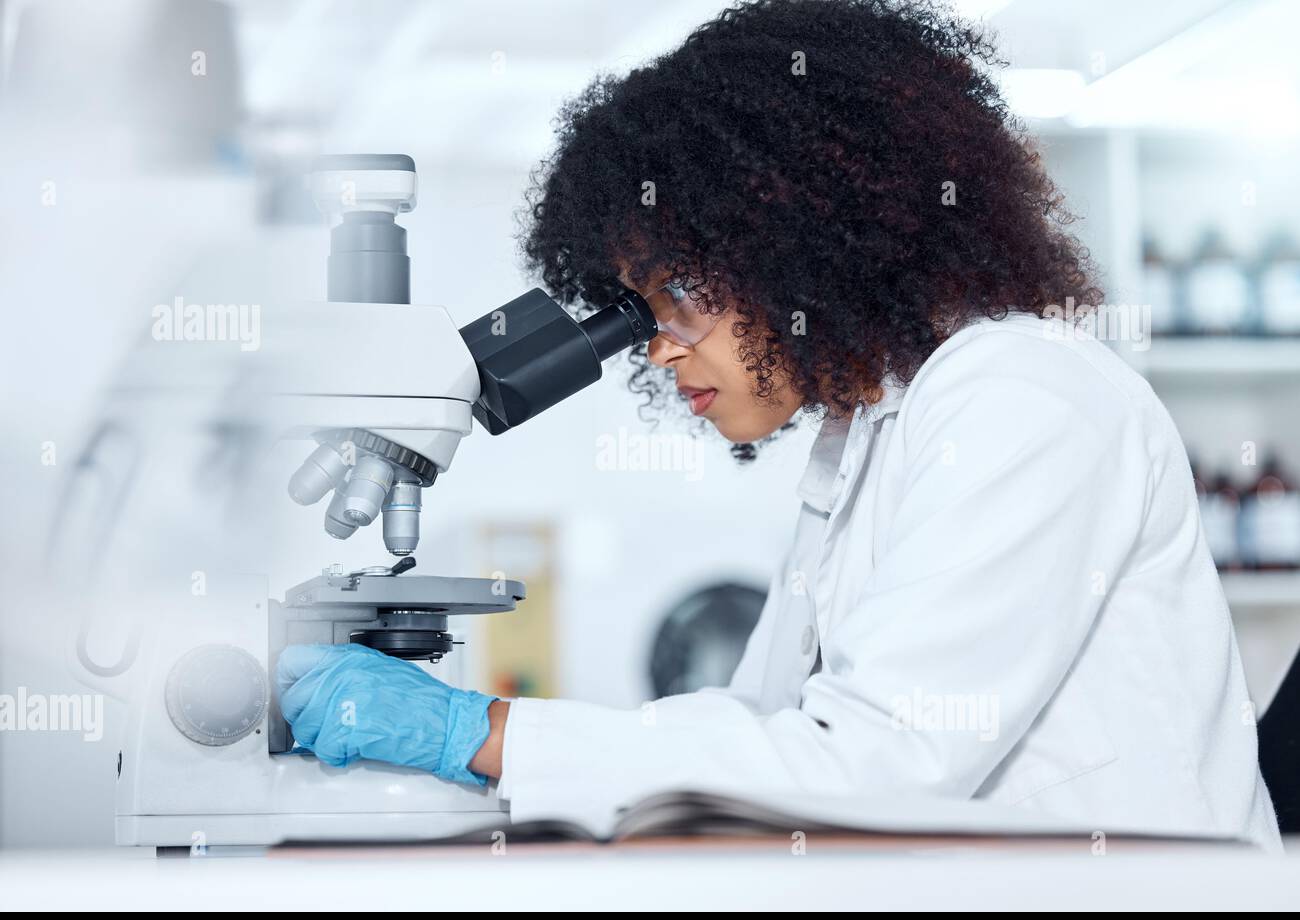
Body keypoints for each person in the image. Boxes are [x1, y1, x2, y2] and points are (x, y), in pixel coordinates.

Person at [277, 0, 1281, 846]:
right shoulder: (865, 433)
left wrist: (476, 732)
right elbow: (764, 737)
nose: (656, 347)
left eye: (675, 293)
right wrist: (505, 752)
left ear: (805, 243)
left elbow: (869, 768)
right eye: (636, 307)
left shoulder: (1023, 394)